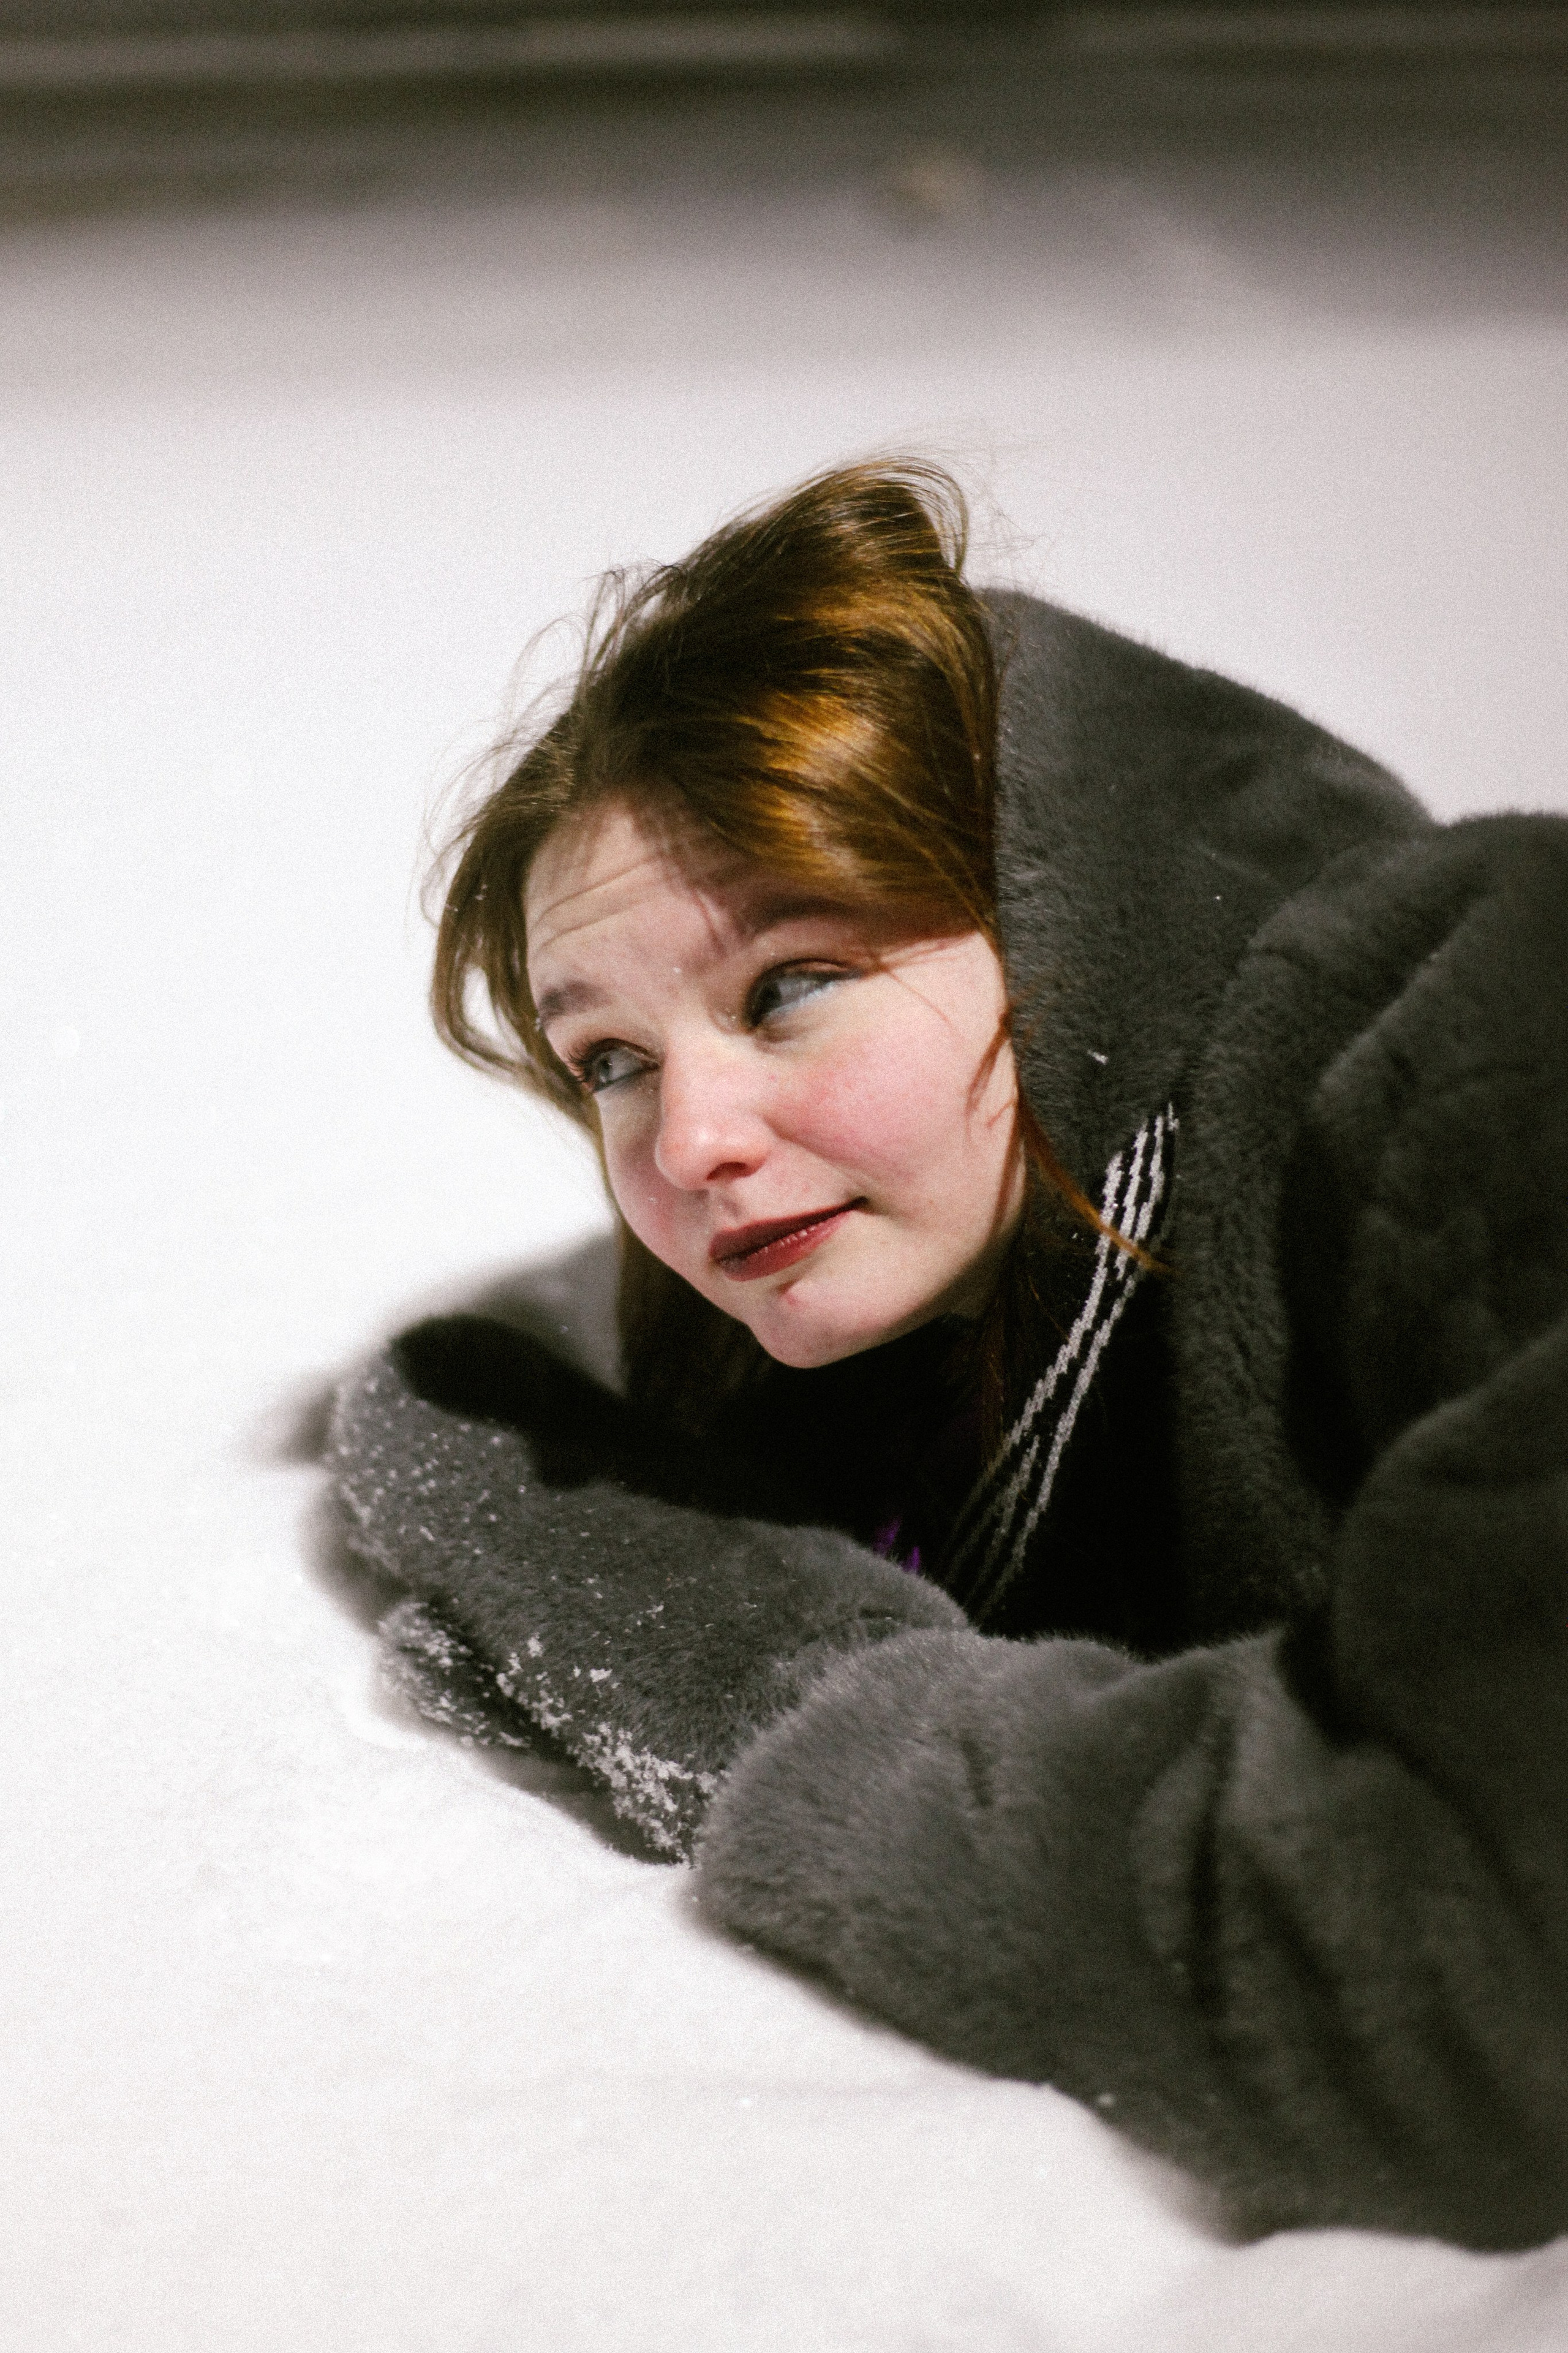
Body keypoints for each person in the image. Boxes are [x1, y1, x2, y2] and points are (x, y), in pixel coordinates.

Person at [330, 462, 1568, 2249]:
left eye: (786, 984)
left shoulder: (1492, 1035)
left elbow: (1472, 1993)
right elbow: (485, 1393)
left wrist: (797, 1703)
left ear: (1059, 899)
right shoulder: (941, 1279)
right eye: (610, 1059)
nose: (689, 1145)